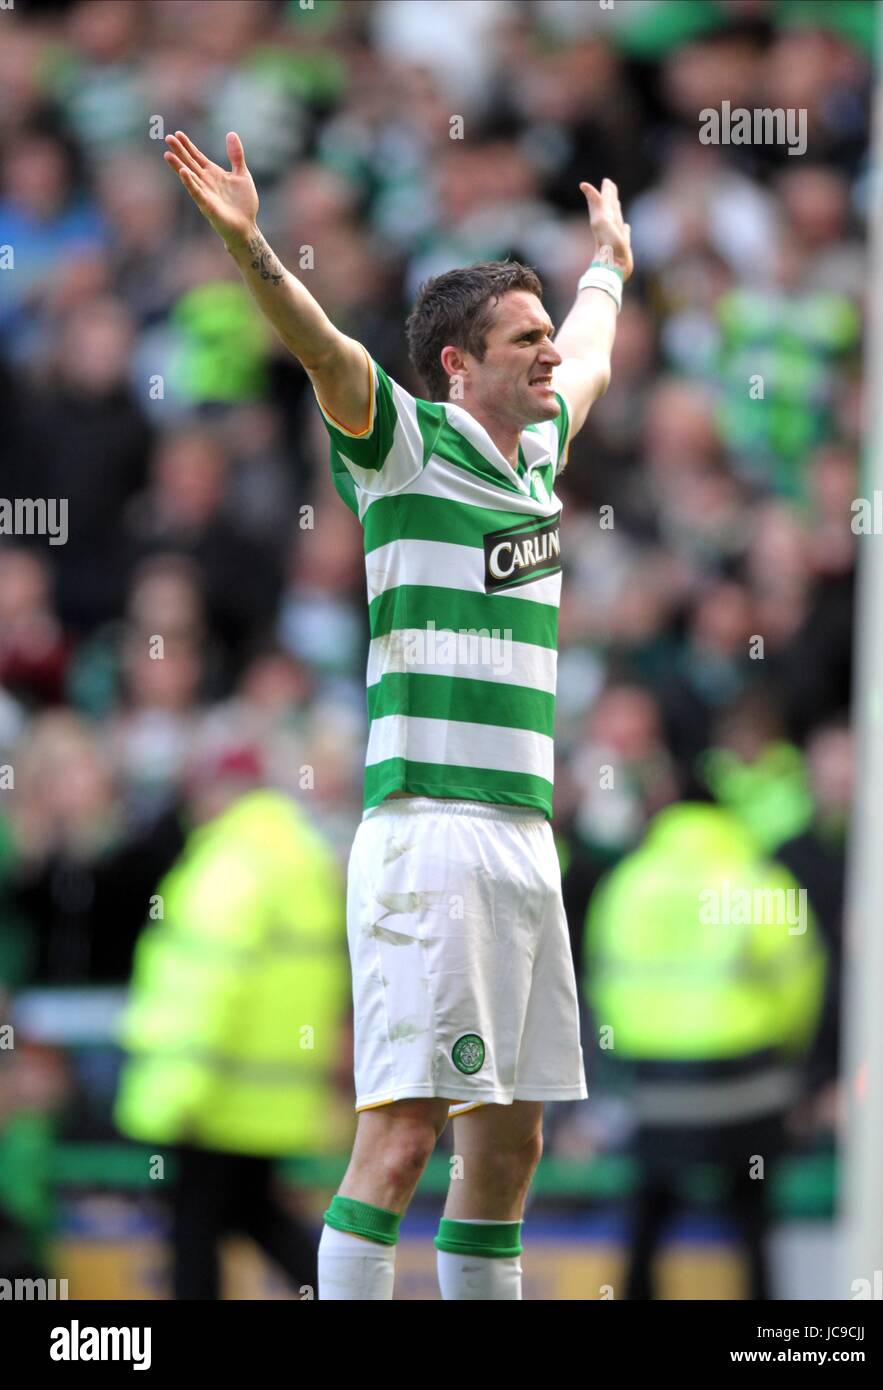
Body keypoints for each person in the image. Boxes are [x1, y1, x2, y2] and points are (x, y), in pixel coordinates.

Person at [163, 127, 633, 1300]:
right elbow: (323, 350)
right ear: (456, 368)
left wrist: (608, 268)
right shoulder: (406, 449)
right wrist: (254, 247)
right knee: (405, 1134)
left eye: (541, 337)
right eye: (521, 341)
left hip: (524, 841)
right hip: (433, 836)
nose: (546, 356)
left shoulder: (536, 460)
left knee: (509, 1148)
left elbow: (597, 360)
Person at [113, 757, 348, 1300]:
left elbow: (206, 983)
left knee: (195, 1227)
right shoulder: (301, 858)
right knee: (251, 1212)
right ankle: (346, 1293)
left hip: (214, 1095)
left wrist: (178, 1094)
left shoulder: (231, 861)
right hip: (269, 1096)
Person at [583, 798, 827, 1300]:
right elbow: (802, 979)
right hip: (749, 1086)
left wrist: (631, 1045)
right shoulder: (759, 879)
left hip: (655, 1088)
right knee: (753, 1226)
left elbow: (600, 977)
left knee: (648, 1221)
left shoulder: (630, 882)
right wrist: (791, 1054)